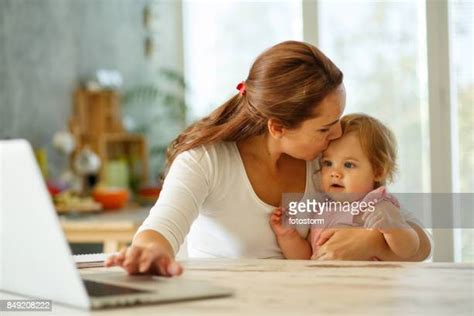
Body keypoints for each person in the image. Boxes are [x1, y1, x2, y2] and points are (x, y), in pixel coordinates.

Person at [105, 41, 432, 276]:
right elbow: (160, 230)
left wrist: (371, 242)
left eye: (339, 121)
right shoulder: (205, 161)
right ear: (277, 127)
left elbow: (421, 246)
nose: (336, 135)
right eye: (324, 128)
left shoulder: (324, 162)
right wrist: (147, 253)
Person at [270, 114, 423, 260]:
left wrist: (394, 228)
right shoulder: (323, 210)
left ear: (378, 171)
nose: (335, 173)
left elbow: (410, 249)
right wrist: (288, 236)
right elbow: (307, 258)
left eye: (349, 165)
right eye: (328, 163)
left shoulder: (376, 205)